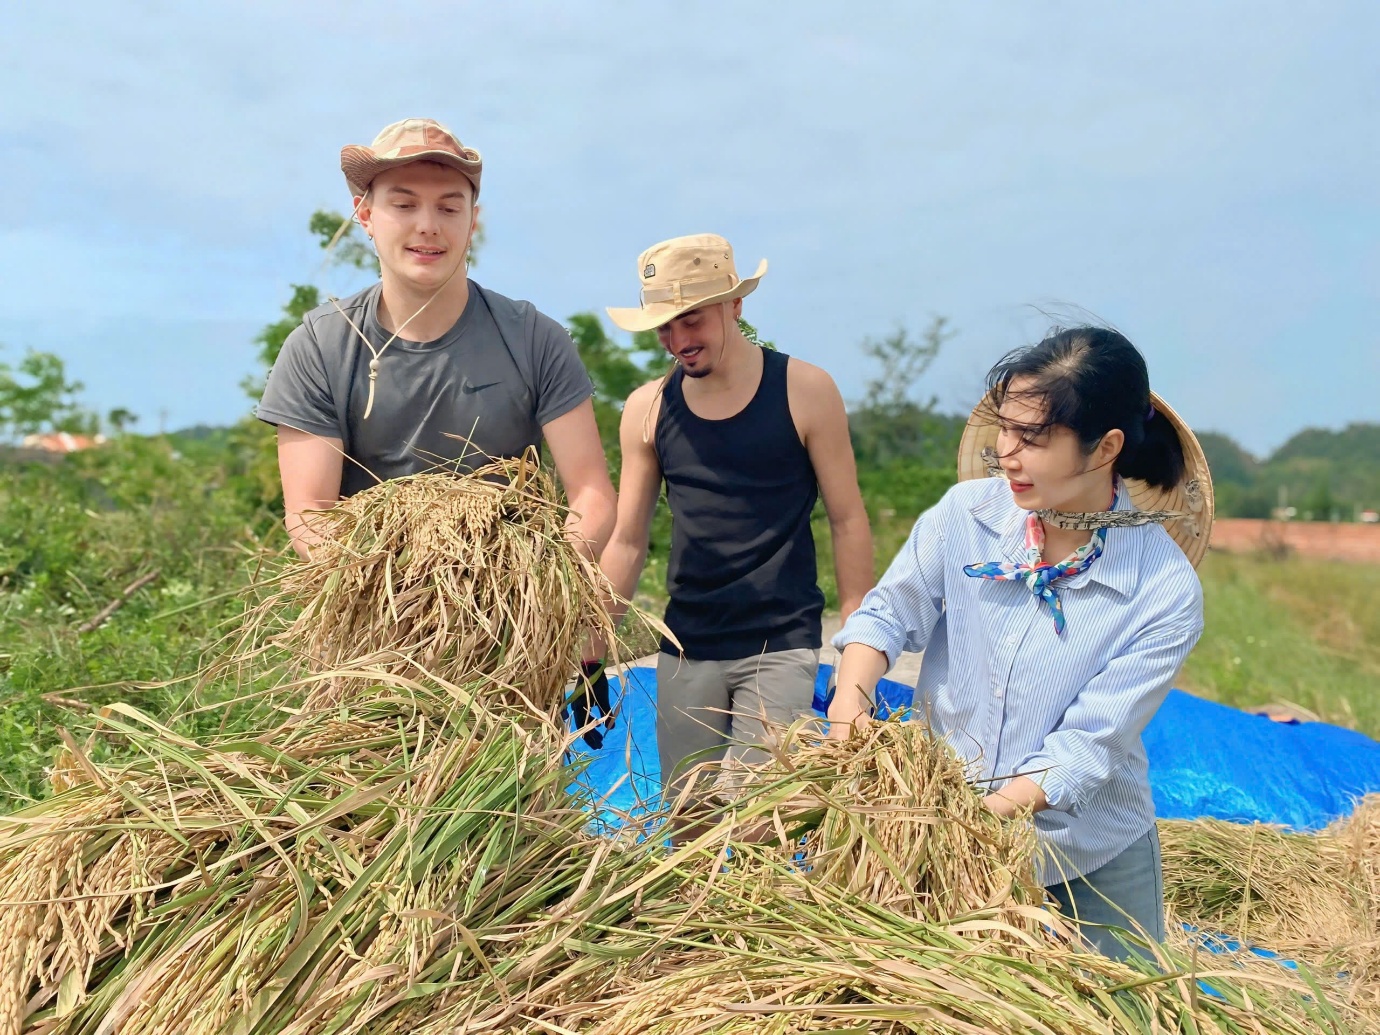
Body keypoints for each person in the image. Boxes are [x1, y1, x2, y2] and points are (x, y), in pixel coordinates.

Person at [827, 326, 1214, 959]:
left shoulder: (1160, 589)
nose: (1008, 452)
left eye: (1033, 438)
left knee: (1118, 1012)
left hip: (1084, 853)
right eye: (1006, 429)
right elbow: (888, 614)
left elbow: (1087, 746)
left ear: (1106, 446)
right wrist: (850, 699)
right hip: (939, 827)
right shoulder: (966, 515)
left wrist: (970, 822)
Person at [257, 118, 615, 567]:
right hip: (370, 606)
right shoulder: (319, 345)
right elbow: (312, 515)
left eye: (448, 208)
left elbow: (591, 493)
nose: (428, 226)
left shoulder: (535, 338)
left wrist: (537, 584)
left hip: (510, 611)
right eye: (404, 205)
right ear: (365, 215)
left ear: (472, 222)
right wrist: (400, 590)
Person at [599, 233, 874, 797]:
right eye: (665, 327)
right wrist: (590, 650)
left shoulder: (805, 390)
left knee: (757, 823)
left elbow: (848, 519)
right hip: (686, 645)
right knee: (687, 817)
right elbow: (628, 541)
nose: (678, 341)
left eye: (692, 320)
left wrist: (858, 645)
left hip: (781, 642)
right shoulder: (647, 408)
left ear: (736, 304)